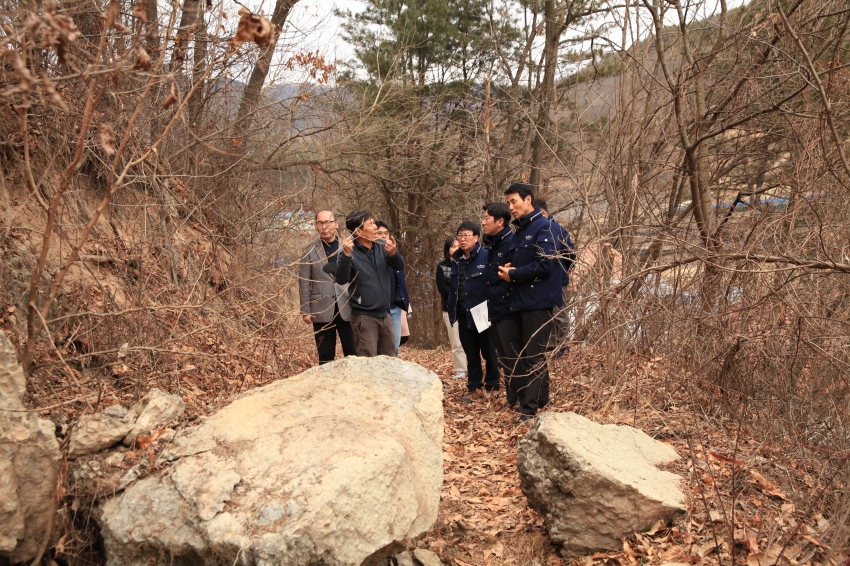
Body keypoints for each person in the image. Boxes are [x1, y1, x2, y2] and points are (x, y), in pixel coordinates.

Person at [498, 183, 563, 422]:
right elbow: (523, 263)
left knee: (534, 357)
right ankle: (542, 400)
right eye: (508, 203)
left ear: (528, 200)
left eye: (514, 201)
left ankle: (529, 410)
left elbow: (546, 264)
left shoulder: (545, 227)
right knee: (528, 356)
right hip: (520, 301)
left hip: (538, 302)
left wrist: (514, 274)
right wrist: (509, 269)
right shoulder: (520, 231)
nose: (511, 207)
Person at [334, 210, 405, 357]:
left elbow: (399, 266)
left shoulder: (382, 246)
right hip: (364, 317)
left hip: (385, 315)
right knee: (368, 363)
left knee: (389, 361)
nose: (375, 228)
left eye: (374, 223)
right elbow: (341, 279)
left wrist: (393, 254)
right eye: (371, 224)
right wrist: (346, 255)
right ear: (358, 231)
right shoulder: (349, 251)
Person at [448, 221, 500, 402]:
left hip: (482, 312)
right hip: (463, 312)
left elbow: (494, 284)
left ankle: (493, 385)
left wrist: (493, 309)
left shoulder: (485, 256)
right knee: (470, 352)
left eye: (466, 235)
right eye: (459, 236)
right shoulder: (456, 259)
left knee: (489, 351)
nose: (462, 239)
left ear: (476, 237)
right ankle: (474, 386)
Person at [298, 209, 356, 365]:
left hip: (348, 306)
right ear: (316, 226)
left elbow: (358, 274)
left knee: (354, 353)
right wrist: (305, 310)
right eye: (320, 223)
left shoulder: (348, 244)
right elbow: (304, 281)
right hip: (321, 308)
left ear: (336, 224)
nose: (325, 226)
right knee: (325, 356)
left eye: (328, 222)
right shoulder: (309, 250)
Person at [481, 202, 521, 410]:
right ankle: (511, 398)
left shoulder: (511, 242)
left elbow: (511, 276)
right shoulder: (493, 243)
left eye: (487, 218)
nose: (483, 222)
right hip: (494, 309)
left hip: (508, 309)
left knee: (512, 355)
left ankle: (521, 398)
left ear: (500, 221)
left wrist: (500, 296)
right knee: (503, 357)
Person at [535, 198, 576, 358]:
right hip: (545, 280)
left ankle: (563, 345)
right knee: (550, 313)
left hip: (557, 279)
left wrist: (562, 269)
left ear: (543, 213)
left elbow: (571, 254)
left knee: (560, 313)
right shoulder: (542, 229)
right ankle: (552, 344)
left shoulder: (557, 229)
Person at [376, 220, 410, 356]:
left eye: (386, 233)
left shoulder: (393, 254)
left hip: (395, 306)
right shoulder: (372, 256)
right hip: (378, 308)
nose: (384, 236)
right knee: (380, 346)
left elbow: (401, 280)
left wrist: (407, 304)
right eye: (380, 233)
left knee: (395, 345)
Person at [436, 236, 468, 379]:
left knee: (473, 341)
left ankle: (474, 368)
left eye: (457, 246)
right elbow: (442, 287)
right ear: (447, 249)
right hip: (450, 309)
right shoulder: (442, 266)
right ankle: (461, 369)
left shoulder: (466, 263)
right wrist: (457, 294)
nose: (455, 248)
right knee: (456, 341)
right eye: (452, 246)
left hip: (468, 307)